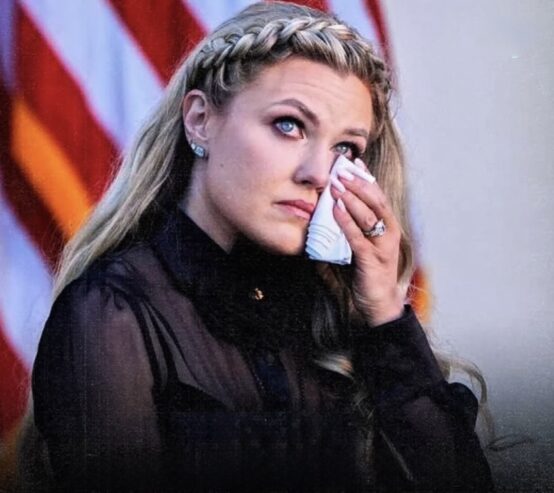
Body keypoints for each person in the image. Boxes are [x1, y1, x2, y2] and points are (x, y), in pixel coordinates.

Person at [26, 1, 494, 491]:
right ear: (200, 120)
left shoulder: (340, 318)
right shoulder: (113, 312)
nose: (318, 172)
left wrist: (383, 311)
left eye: (345, 148)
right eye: (289, 125)